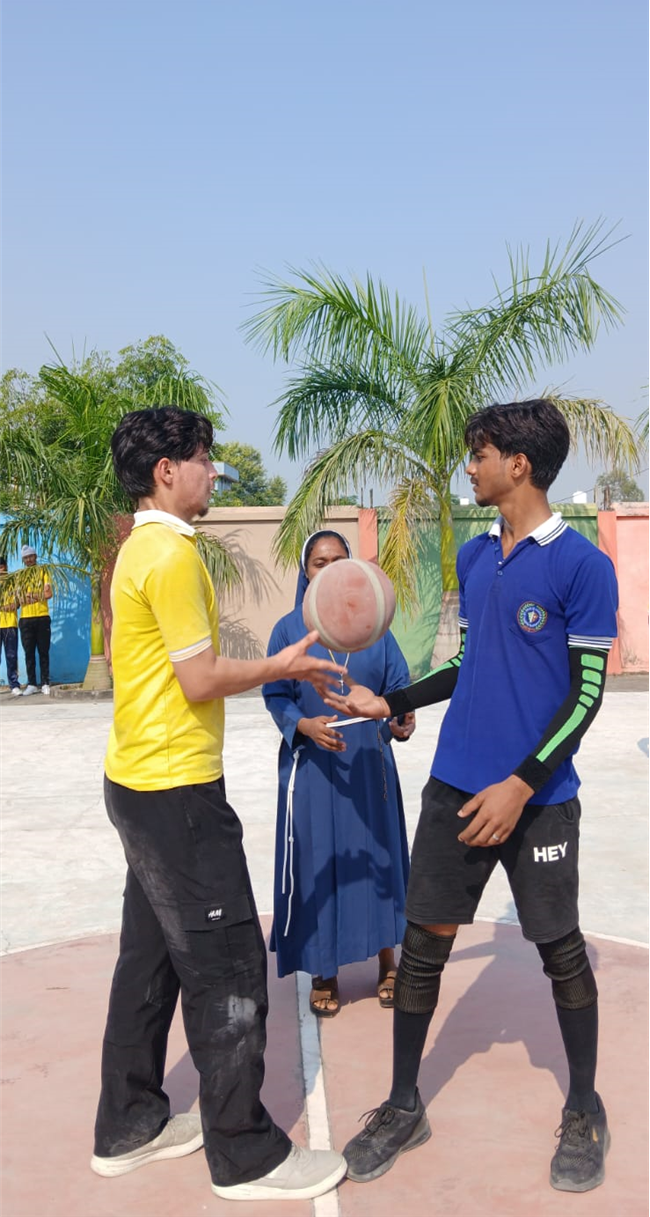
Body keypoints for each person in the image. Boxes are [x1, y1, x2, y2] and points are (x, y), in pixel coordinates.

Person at [332, 399, 618, 1195]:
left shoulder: (583, 565)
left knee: (561, 950)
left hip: (539, 797)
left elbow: (587, 694)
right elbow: (469, 663)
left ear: (518, 464)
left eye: (480, 454)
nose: (469, 466)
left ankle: (585, 1107)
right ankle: (403, 1103)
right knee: (423, 944)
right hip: (455, 785)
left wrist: (522, 783)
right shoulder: (473, 553)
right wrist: (392, 701)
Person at [91, 406, 347, 1204]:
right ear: (166, 469)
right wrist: (284, 666)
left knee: (150, 957)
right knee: (230, 965)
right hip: (176, 794)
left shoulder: (142, 548)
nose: (213, 474)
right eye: (205, 460)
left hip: (138, 782)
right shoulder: (167, 554)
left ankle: (128, 1123)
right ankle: (245, 1153)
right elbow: (199, 678)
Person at [262, 530, 415, 1017]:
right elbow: (275, 695)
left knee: (380, 860)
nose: (328, 570)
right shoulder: (288, 630)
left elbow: (399, 687)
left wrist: (401, 719)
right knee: (319, 863)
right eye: (318, 563)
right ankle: (323, 969)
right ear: (305, 573)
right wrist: (303, 725)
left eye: (338, 561)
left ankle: (388, 961)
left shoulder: (375, 626)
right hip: (313, 767)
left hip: (369, 763)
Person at [18, 546, 53, 696]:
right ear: (23, 560)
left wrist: (31, 596)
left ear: (35, 556)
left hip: (42, 617)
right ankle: (32, 684)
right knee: (29, 653)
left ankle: (45, 683)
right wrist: (38, 595)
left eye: (31, 556)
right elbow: (19, 599)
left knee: (43, 651)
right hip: (25, 619)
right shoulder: (20, 576)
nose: (29, 560)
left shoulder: (43, 571)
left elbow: (48, 594)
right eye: (26, 558)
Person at [0, 559, 22, 696]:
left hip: (10, 624)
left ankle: (14, 685)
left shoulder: (13, 582)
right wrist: (5, 607)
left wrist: (11, 606)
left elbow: (17, 603)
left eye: (1, 567)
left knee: (12, 656)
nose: (0, 570)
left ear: (6, 567)